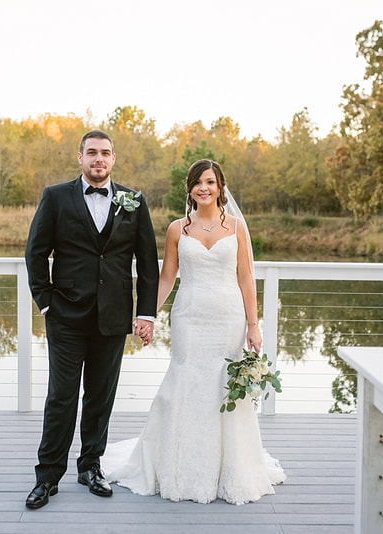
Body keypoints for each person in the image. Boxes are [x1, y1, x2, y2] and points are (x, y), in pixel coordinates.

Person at [102, 159, 286, 505]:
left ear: (220, 188)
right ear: (190, 189)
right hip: (189, 317)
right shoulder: (177, 229)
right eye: (198, 182)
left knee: (222, 385)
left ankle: (228, 469)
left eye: (211, 182)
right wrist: (146, 315)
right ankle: (177, 464)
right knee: (185, 382)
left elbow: (246, 278)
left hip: (228, 316)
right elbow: (168, 277)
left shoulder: (235, 228)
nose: (204, 188)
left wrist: (252, 324)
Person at [24, 129, 159, 510]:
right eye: (92, 153)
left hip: (113, 319)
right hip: (65, 315)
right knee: (61, 398)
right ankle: (48, 477)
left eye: (105, 154)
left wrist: (145, 313)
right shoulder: (56, 197)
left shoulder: (133, 201)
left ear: (113, 159)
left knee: (100, 398)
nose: (99, 159)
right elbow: (35, 253)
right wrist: (46, 303)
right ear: (79, 157)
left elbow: (148, 264)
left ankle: (90, 467)